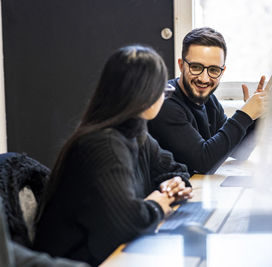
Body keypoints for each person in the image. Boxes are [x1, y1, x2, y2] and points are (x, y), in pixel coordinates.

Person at [33, 45, 193, 266]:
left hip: (105, 253)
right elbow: (126, 223)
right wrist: (160, 202)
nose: (163, 98)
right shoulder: (104, 144)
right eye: (162, 91)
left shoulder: (135, 131)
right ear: (144, 93)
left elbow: (176, 169)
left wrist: (172, 184)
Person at [148, 27, 268, 175]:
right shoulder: (165, 102)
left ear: (222, 71)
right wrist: (245, 115)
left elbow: (238, 151)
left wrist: (255, 117)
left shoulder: (209, 100)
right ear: (181, 65)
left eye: (213, 70)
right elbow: (204, 163)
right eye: (196, 67)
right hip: (163, 195)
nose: (204, 79)